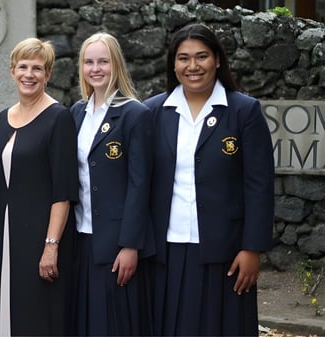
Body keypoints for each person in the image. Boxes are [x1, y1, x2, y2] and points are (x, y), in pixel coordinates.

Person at [143, 23, 274, 336]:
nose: (193, 66)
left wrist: (252, 248)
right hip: (166, 249)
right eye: (183, 58)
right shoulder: (153, 112)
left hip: (226, 252)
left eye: (201, 56)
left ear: (217, 60)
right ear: (173, 64)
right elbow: (140, 183)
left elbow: (259, 185)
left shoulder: (244, 111)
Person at [0, 37, 78, 336]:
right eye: (23, 66)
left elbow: (63, 191)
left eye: (37, 68)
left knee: (37, 316)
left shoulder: (58, 118)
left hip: (40, 237)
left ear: (48, 74)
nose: (29, 74)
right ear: (12, 71)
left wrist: (50, 246)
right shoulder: (1, 120)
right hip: (5, 235)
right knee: (4, 313)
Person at [70, 32, 154, 336]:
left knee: (115, 323)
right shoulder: (76, 113)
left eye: (103, 61)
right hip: (81, 237)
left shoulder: (134, 114)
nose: (96, 69)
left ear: (115, 64)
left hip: (116, 241)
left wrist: (130, 244)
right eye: (89, 62)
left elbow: (139, 184)